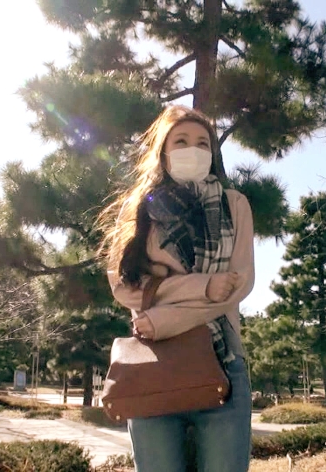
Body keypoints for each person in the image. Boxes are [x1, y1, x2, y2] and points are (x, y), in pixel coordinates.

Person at [100, 105, 255, 472]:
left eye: (203, 143)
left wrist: (165, 317)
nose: (193, 149)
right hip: (152, 365)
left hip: (222, 361)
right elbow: (124, 287)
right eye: (181, 141)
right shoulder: (137, 208)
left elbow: (237, 285)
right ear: (163, 151)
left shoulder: (234, 205)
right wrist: (204, 286)